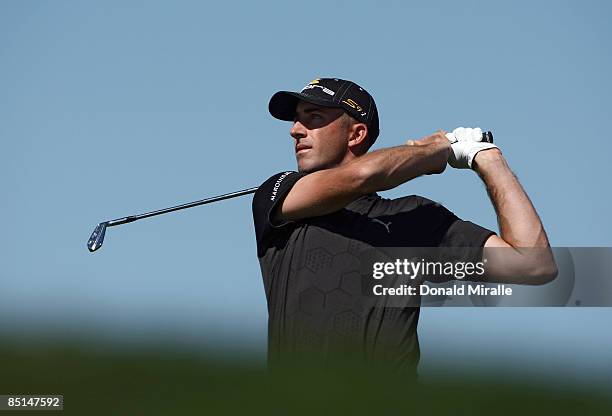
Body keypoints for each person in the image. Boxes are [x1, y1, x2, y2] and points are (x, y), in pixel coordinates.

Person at [252, 77, 557, 373]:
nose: (295, 130)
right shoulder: (279, 195)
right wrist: (432, 151)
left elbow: (534, 264)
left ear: (356, 135)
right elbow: (362, 176)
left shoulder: (415, 219)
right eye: (296, 120)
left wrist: (489, 160)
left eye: (313, 118)